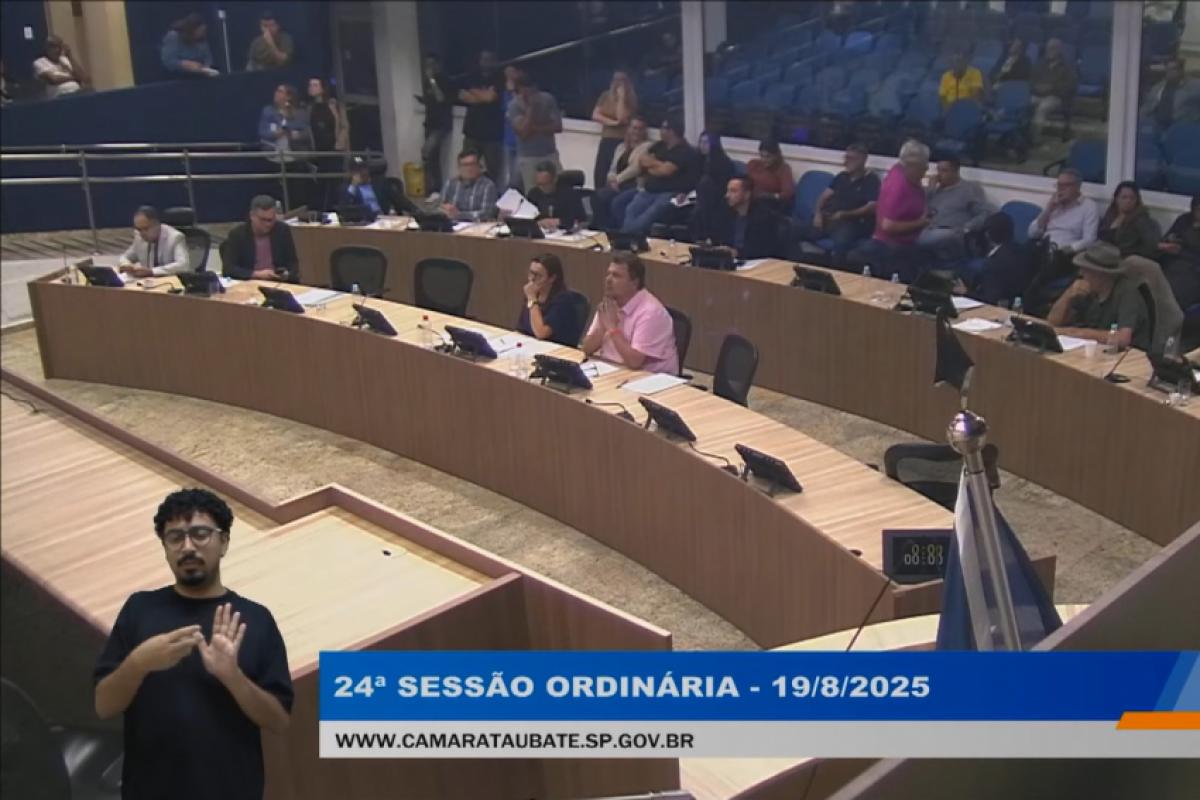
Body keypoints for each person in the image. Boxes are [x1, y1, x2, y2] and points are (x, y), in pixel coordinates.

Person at [93, 489, 292, 800]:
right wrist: (138, 663)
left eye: (200, 534)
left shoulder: (256, 618)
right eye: (175, 538)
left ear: (223, 542)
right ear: (165, 548)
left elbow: (278, 720)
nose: (187, 547)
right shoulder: (139, 609)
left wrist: (233, 677)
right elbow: (104, 706)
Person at [581, 252, 679, 375]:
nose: (608, 280)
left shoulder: (651, 312)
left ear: (634, 282)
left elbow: (634, 362)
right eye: (608, 274)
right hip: (611, 369)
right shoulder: (610, 305)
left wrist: (612, 328)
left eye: (616, 276)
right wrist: (602, 327)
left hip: (647, 377)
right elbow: (586, 349)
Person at [848, 139, 930, 282]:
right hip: (894, 244)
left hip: (909, 239)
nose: (926, 170)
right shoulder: (897, 186)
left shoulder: (903, 173)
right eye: (923, 167)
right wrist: (921, 223)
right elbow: (888, 226)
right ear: (911, 165)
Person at [1047, 242, 1152, 352]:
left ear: (1102, 274)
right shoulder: (1084, 289)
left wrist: (1077, 332)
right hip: (1093, 350)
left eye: (1086, 270)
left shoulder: (1127, 292)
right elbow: (1053, 322)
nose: (1081, 273)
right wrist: (1067, 295)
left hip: (1126, 356)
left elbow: (1123, 338)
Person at [612, 116, 697, 235]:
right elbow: (642, 160)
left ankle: (627, 236)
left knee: (648, 215)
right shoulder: (659, 146)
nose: (660, 131)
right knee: (631, 208)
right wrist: (659, 165)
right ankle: (629, 237)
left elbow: (665, 171)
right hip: (648, 190)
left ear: (671, 131)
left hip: (669, 193)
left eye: (663, 128)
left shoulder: (685, 151)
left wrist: (652, 165)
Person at [808, 142, 880, 266]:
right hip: (830, 219)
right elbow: (824, 196)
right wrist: (818, 213)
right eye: (845, 158)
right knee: (794, 230)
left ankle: (835, 272)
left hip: (853, 223)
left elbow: (871, 207)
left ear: (863, 160)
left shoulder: (872, 180)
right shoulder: (842, 176)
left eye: (850, 158)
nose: (845, 162)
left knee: (841, 242)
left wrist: (845, 214)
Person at [918, 157, 992, 268]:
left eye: (944, 171)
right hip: (929, 230)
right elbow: (918, 208)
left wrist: (967, 228)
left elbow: (984, 214)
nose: (939, 175)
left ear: (955, 171)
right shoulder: (935, 190)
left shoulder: (969, 189)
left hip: (953, 234)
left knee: (918, 240)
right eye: (938, 170)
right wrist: (930, 188)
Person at [697, 177, 779, 260]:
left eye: (733, 191)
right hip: (728, 262)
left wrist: (737, 253)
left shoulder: (763, 218)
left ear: (747, 195)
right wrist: (710, 244)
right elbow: (718, 239)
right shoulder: (724, 215)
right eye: (727, 191)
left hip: (755, 263)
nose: (727, 196)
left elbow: (763, 250)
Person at [220, 195, 299, 281]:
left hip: (278, 282)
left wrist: (287, 274)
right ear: (252, 216)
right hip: (250, 282)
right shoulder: (237, 234)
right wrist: (257, 274)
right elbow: (228, 270)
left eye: (271, 219)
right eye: (263, 220)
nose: (268, 224)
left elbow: (293, 264)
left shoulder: (282, 230)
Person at [593, 117, 652, 231]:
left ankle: (620, 231)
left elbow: (636, 168)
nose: (637, 132)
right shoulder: (621, 147)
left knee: (616, 202)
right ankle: (602, 229)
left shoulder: (647, 147)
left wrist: (617, 180)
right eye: (634, 128)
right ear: (628, 129)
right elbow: (612, 168)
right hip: (618, 184)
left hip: (634, 185)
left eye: (640, 129)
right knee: (598, 196)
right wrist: (611, 179)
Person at [507, 74, 563, 193]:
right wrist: (531, 108)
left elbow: (558, 127)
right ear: (520, 89)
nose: (529, 92)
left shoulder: (548, 99)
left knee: (559, 186)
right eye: (524, 89)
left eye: (531, 88)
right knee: (532, 191)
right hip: (528, 157)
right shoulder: (514, 106)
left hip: (550, 153)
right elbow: (523, 133)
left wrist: (535, 129)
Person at [457, 51, 506, 183]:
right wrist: (483, 95)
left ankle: (493, 195)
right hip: (472, 131)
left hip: (492, 134)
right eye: (484, 59)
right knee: (467, 168)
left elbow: (490, 97)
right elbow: (462, 96)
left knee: (495, 173)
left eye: (489, 59)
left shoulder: (499, 77)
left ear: (495, 61)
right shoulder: (472, 76)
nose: (486, 63)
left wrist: (473, 92)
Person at [969, 212, 1034, 307]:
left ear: (987, 234)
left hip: (1000, 306)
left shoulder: (993, 264)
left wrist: (966, 293)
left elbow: (990, 299)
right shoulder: (1023, 251)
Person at [518, 253, 583, 347]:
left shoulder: (564, 300)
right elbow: (521, 328)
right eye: (531, 273)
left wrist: (532, 299)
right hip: (532, 346)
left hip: (557, 350)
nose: (532, 279)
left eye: (538, 275)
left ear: (552, 278)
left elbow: (541, 333)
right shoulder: (534, 293)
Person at [1028, 168, 1099, 253]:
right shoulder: (1053, 203)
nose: (1061, 189)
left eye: (1066, 185)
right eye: (1059, 185)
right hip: (1043, 248)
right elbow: (1032, 234)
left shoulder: (1089, 206)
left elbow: (1089, 240)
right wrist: (1049, 209)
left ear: (1077, 186)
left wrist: (1067, 249)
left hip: (1066, 252)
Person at [591, 70, 638, 189]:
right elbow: (595, 115)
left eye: (621, 81)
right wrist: (612, 123)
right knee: (600, 172)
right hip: (606, 138)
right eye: (615, 80)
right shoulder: (605, 96)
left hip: (620, 140)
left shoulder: (630, 99)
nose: (618, 83)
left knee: (614, 171)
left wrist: (621, 98)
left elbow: (621, 117)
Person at [307, 77, 349, 210]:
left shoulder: (334, 105)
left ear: (322, 88)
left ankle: (338, 209)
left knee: (335, 183)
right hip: (319, 152)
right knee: (321, 184)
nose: (311, 88)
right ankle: (323, 211)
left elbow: (344, 126)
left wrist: (340, 143)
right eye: (310, 85)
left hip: (334, 149)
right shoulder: (310, 108)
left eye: (315, 85)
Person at [689, 131, 737, 240]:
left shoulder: (724, 163)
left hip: (718, 198)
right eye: (701, 142)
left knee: (700, 208)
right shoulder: (698, 160)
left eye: (706, 142)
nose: (702, 145)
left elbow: (724, 186)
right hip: (696, 196)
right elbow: (692, 181)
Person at [118, 206, 190, 278]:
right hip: (148, 282)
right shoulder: (139, 236)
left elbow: (184, 265)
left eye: (146, 229)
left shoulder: (175, 237)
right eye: (139, 229)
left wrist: (152, 271)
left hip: (171, 281)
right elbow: (125, 257)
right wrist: (126, 265)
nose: (142, 233)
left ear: (157, 224)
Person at [418, 54, 453, 196]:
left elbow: (440, 98)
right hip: (430, 122)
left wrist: (432, 80)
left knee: (426, 151)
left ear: (438, 65)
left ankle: (436, 188)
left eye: (432, 64)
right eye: (427, 65)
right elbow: (431, 100)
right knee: (433, 158)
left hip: (441, 124)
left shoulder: (444, 80)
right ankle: (434, 189)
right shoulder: (427, 82)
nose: (429, 68)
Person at [1098, 181, 1162, 259]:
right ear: (1116, 199)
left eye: (1132, 198)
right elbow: (1102, 236)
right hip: (1106, 254)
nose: (1128, 201)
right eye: (1124, 197)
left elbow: (1148, 247)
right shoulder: (1111, 214)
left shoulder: (1142, 220)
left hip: (1129, 258)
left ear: (1137, 200)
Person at [1029, 38, 1076, 143]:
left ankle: (1034, 140)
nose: (1049, 50)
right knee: (1024, 104)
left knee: (1042, 108)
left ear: (1059, 50)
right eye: (1048, 48)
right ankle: (1022, 136)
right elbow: (1031, 81)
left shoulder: (1067, 66)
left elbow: (1070, 86)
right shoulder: (1040, 64)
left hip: (1056, 97)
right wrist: (1036, 88)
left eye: (1053, 48)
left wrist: (1051, 88)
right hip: (1037, 95)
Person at [1158, 195, 1200, 309]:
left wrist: (1181, 250)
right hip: (1171, 262)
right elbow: (1166, 238)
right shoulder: (1184, 220)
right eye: (1198, 209)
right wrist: (1169, 241)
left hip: (1193, 269)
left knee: (1177, 291)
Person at [341, 158, 417, 217]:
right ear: (351, 173)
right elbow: (344, 208)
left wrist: (416, 211)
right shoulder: (347, 188)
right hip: (363, 223)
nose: (362, 172)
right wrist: (353, 186)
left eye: (363, 168)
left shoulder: (380, 183)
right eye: (357, 170)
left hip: (384, 219)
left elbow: (399, 199)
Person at [1140, 57, 1200, 130]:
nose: (1169, 72)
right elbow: (1147, 107)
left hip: (1183, 127)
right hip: (1157, 125)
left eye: (1173, 69)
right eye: (1167, 69)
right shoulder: (1158, 87)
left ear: (1181, 70)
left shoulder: (1194, 86)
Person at [525, 161, 585, 231]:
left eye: (545, 184)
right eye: (539, 184)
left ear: (555, 179)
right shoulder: (533, 194)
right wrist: (538, 223)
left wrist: (559, 222)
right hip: (541, 234)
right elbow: (527, 219)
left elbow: (581, 220)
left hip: (565, 234)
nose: (542, 188)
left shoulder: (569, 194)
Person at [440, 150, 497, 221]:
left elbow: (487, 214)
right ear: (459, 167)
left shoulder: (488, 185)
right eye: (465, 165)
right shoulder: (450, 183)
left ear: (479, 166)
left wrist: (459, 215)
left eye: (472, 164)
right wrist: (445, 209)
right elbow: (440, 207)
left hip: (477, 226)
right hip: (452, 224)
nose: (469, 168)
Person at [746, 138, 795, 209]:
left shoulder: (783, 169)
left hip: (769, 204)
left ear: (776, 156)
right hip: (749, 200)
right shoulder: (754, 164)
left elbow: (788, 193)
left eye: (768, 157)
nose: (764, 160)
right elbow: (744, 183)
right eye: (762, 156)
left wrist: (771, 196)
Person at [500, 65, 523, 190]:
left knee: (517, 178)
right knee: (508, 176)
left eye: (512, 73)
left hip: (522, 142)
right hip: (508, 141)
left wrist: (514, 92)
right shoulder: (505, 94)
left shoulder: (525, 94)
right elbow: (507, 112)